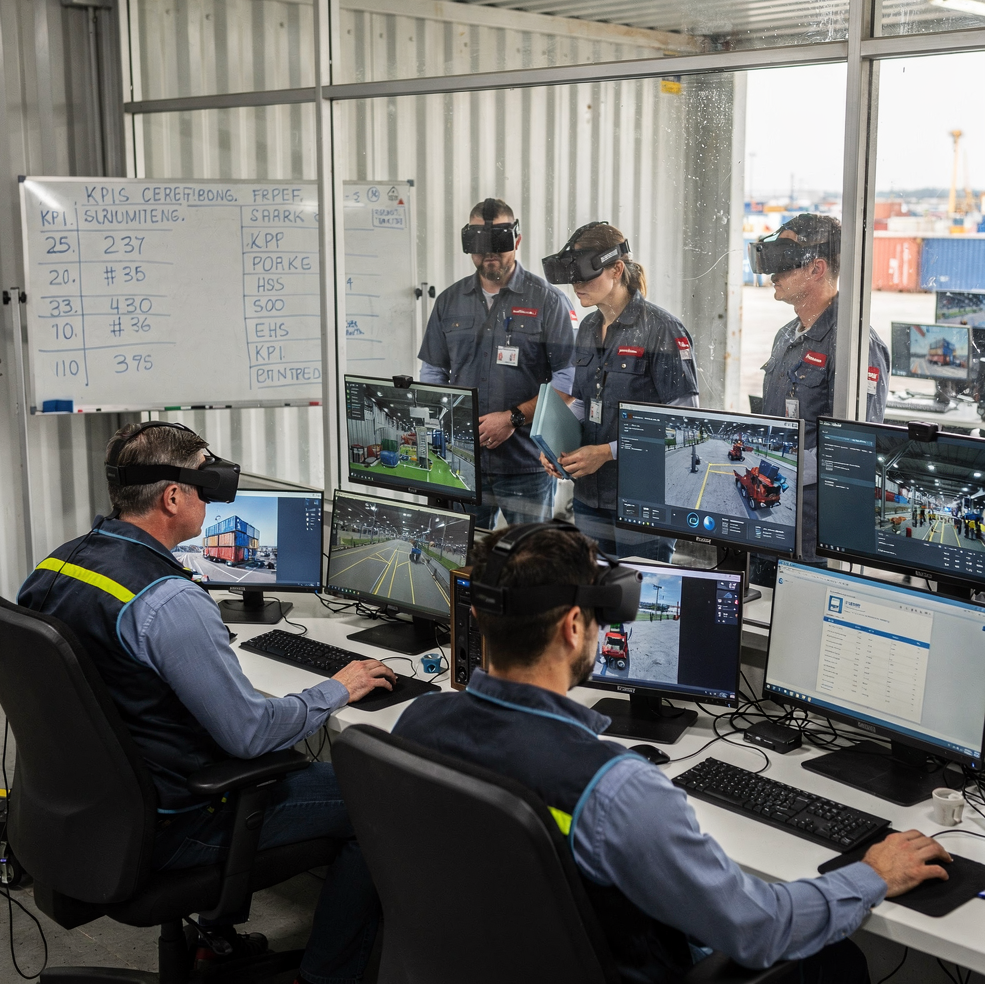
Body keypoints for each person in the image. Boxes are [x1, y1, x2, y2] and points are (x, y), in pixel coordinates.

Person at [394, 523, 952, 984]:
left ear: (478, 618)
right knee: (837, 962)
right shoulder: (615, 790)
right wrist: (872, 873)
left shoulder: (417, 723)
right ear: (572, 627)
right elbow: (759, 929)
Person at [17, 422, 391, 984]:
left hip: (82, 814)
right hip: (175, 824)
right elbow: (250, 736)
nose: (209, 501)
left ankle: (220, 938)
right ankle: (328, 975)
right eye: (202, 487)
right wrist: (340, 685)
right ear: (172, 497)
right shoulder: (168, 601)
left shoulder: (55, 567)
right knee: (379, 802)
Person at [539, 222, 698, 562]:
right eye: (572, 277)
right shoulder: (588, 329)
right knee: (597, 597)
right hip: (590, 498)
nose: (576, 285)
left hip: (642, 499)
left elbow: (684, 423)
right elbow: (584, 401)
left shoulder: (662, 329)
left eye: (584, 275)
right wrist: (557, 448)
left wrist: (607, 452)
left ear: (617, 269)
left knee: (637, 600)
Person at [418, 197, 576, 528]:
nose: (490, 253)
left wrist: (513, 418)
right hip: (461, 466)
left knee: (529, 562)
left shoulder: (548, 301)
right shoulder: (449, 301)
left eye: (500, 241)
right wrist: (446, 425)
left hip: (526, 465)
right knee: (460, 562)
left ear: (517, 240)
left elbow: (570, 378)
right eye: (478, 242)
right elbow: (433, 372)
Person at [754, 214, 889, 561]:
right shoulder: (786, 335)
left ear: (816, 268)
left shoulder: (855, 346)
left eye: (784, 261)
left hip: (814, 535)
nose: (773, 275)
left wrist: (775, 470)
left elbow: (851, 450)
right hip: (768, 512)